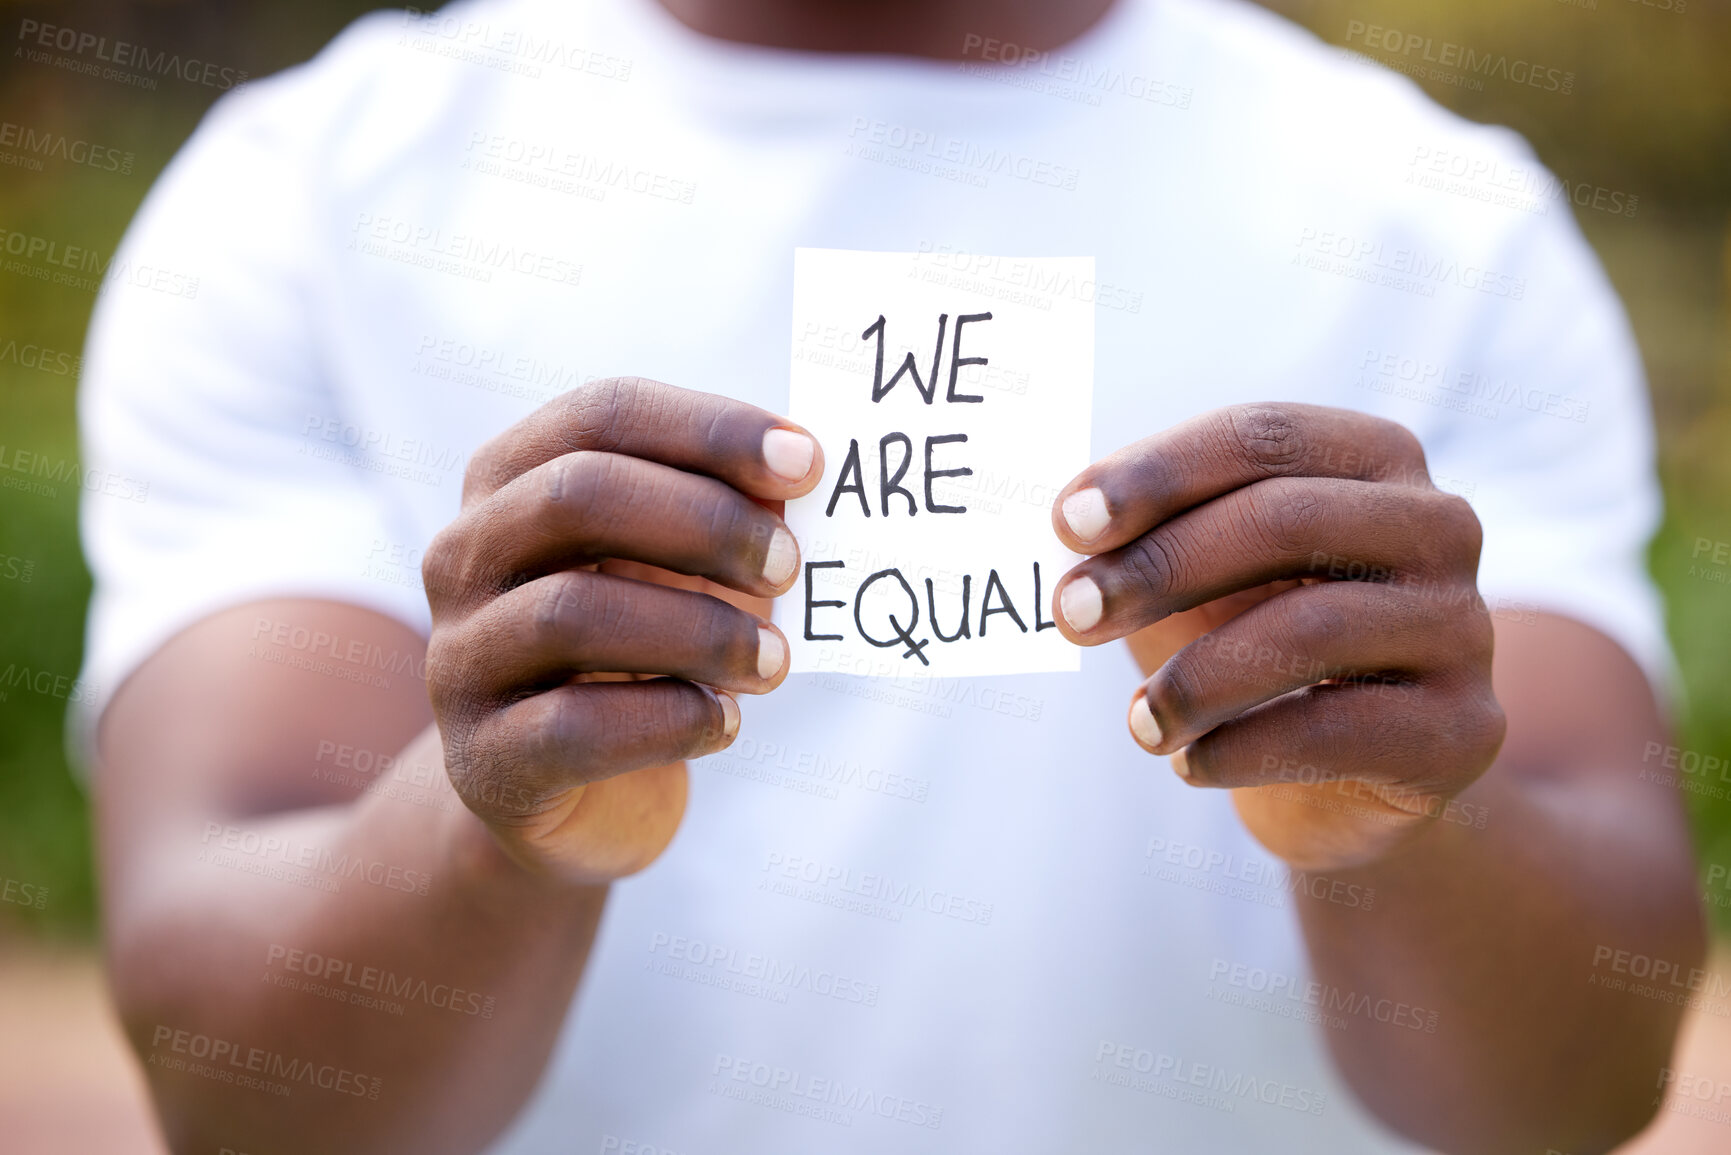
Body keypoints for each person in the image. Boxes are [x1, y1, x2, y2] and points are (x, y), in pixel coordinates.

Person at [78, 0, 1703, 1151]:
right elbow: (238, 1105)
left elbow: (1581, 1090)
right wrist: (500, 835)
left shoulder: (1439, 224)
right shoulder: (305, 198)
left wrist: (1403, 831)